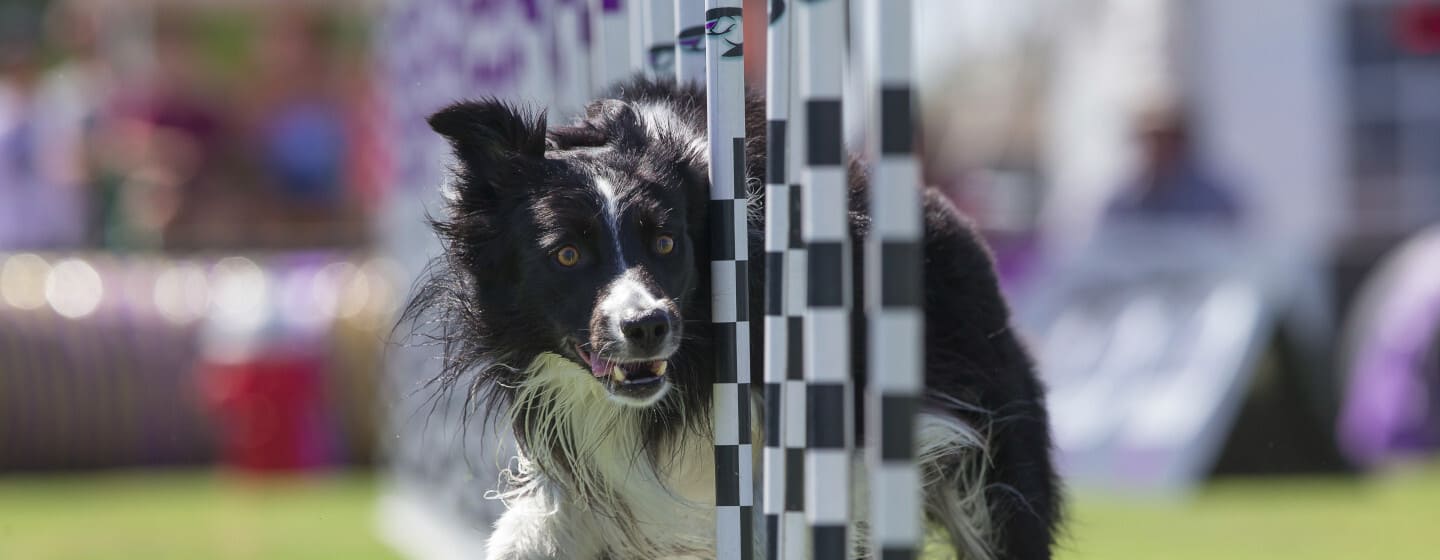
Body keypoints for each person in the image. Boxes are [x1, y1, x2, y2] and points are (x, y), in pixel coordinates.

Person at [1104, 102, 1241, 224]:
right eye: (1151, 139)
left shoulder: (1213, 200)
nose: (1157, 147)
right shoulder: (1127, 200)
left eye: (1164, 138)